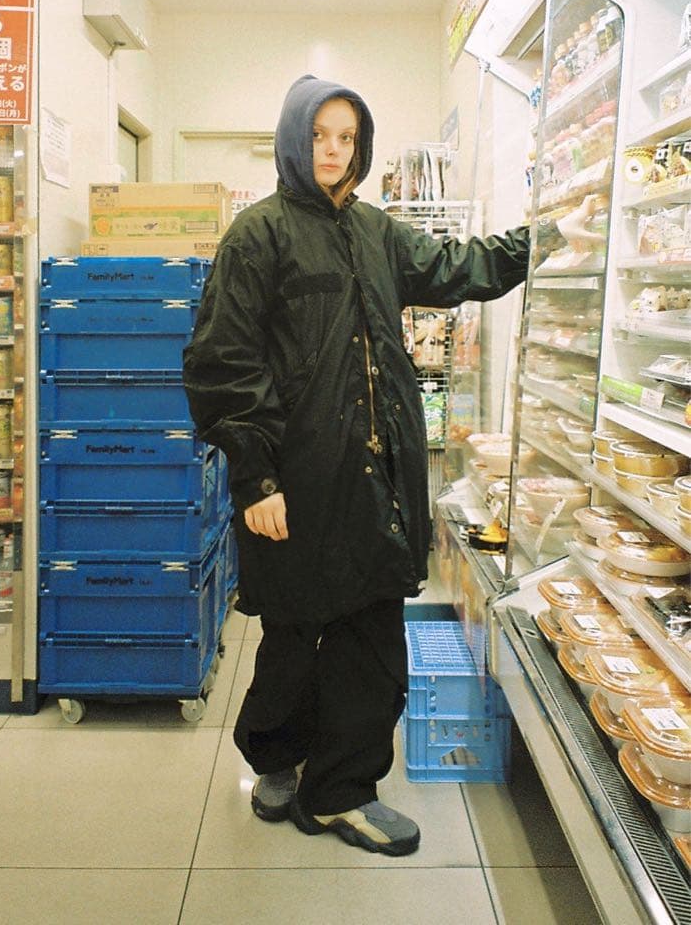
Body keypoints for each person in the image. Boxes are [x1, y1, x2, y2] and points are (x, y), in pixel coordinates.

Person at [182, 74, 593, 857]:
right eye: (318, 136)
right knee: (293, 633)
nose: (333, 151)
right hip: (295, 479)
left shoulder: (378, 231)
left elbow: (459, 267)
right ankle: (276, 755)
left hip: (376, 479)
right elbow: (222, 363)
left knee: (369, 637)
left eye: (347, 138)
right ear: (293, 139)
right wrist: (257, 478)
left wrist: (545, 238)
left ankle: (340, 793)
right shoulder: (258, 235)